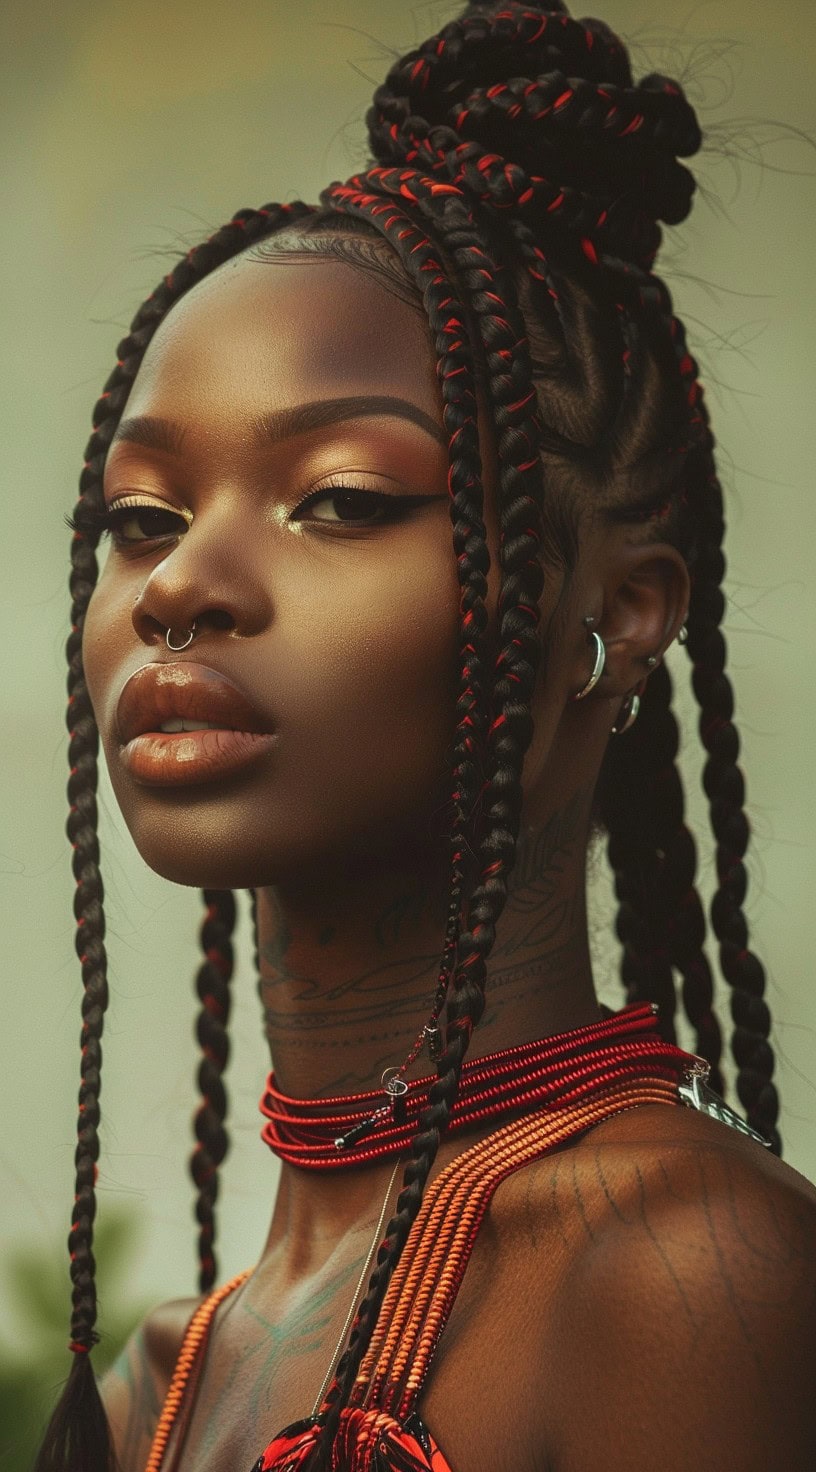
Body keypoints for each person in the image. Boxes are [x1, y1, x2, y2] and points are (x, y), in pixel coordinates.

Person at [35, 2, 816, 1469]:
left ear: (621, 612)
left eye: (341, 499)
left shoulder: (693, 1278)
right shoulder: (159, 1386)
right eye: (140, 521)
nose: (181, 583)